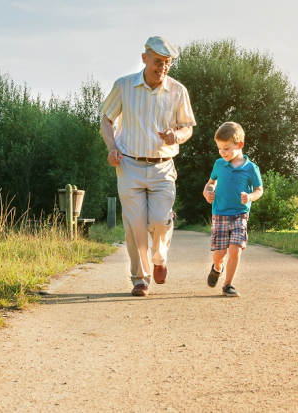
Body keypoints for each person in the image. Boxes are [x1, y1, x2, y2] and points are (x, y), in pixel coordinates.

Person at [100, 36, 197, 296]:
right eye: (158, 62)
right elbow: (106, 120)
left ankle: (160, 258)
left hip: (163, 166)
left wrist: (176, 136)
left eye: (167, 63)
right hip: (129, 165)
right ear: (144, 58)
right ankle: (140, 279)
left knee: (160, 220)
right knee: (135, 225)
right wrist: (112, 148)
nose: (162, 68)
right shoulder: (124, 86)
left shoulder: (178, 91)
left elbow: (187, 127)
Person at [202, 122, 263, 297]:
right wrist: (208, 192)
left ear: (239, 145)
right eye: (220, 148)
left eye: (226, 148)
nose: (222, 152)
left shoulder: (251, 168)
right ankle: (217, 268)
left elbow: (259, 190)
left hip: (240, 214)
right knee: (219, 254)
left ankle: (228, 284)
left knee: (235, 250)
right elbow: (210, 183)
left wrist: (250, 197)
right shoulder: (219, 164)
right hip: (220, 214)